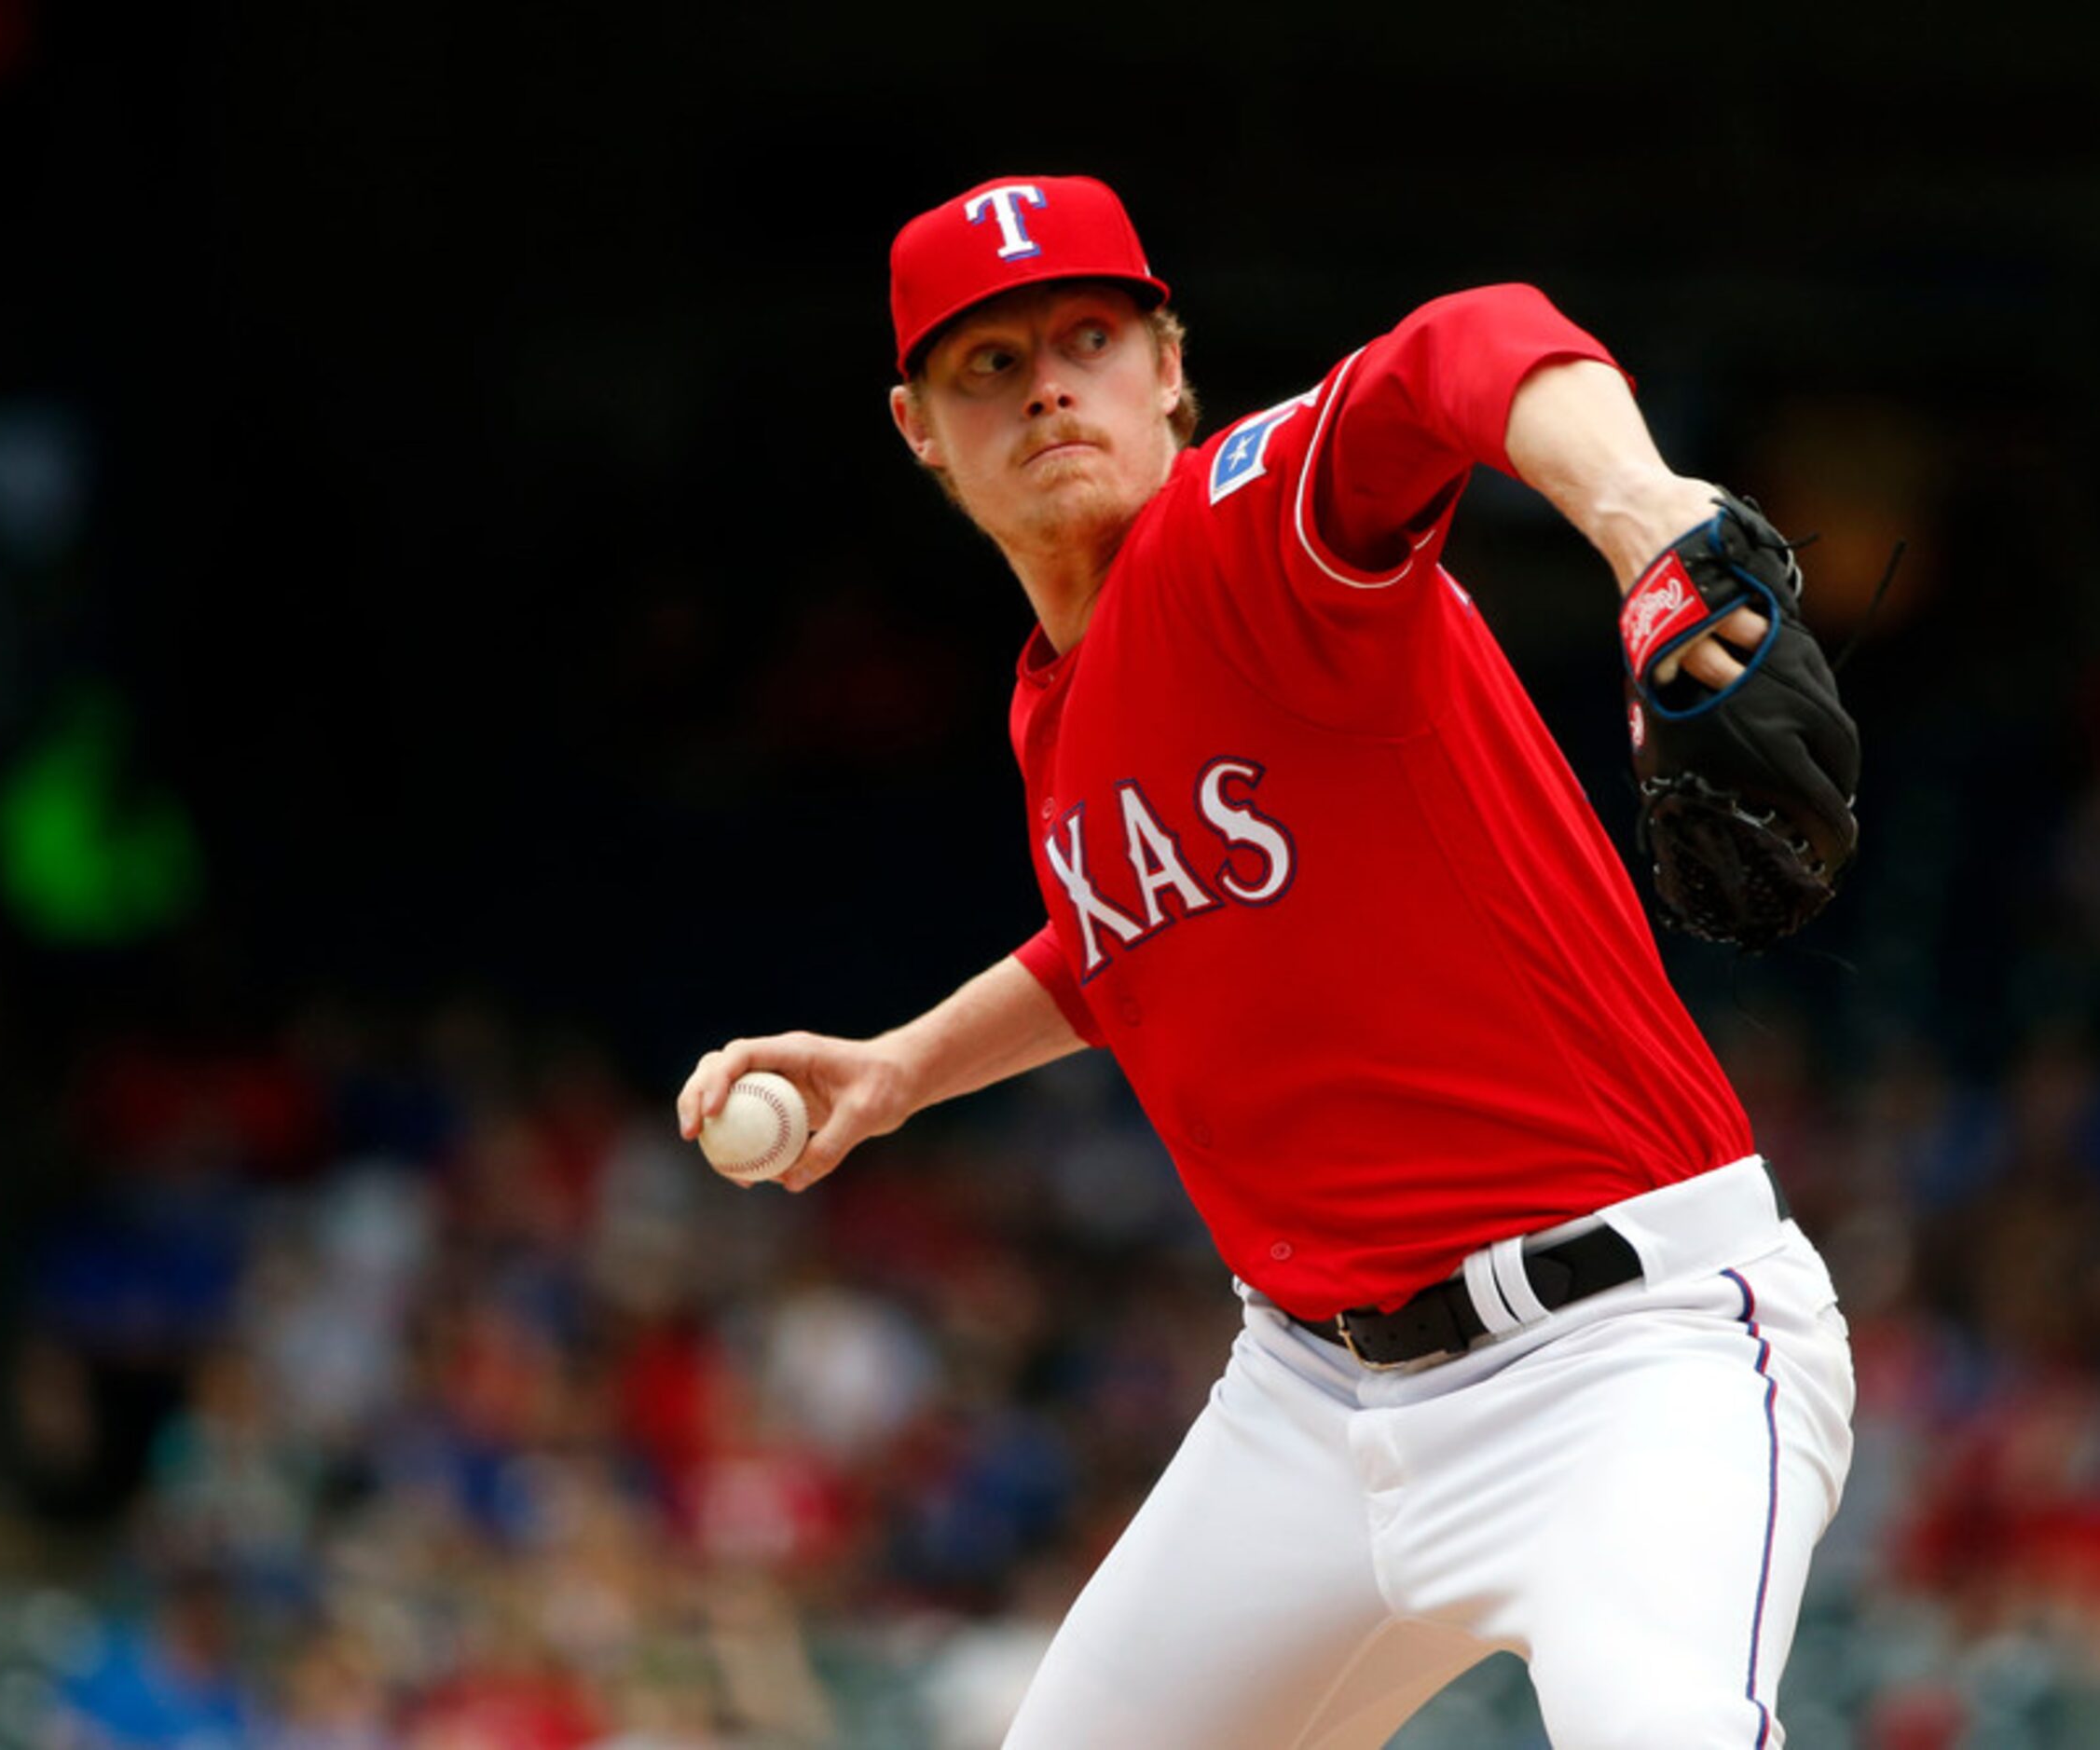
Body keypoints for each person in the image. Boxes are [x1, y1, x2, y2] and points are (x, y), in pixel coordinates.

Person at [679, 173, 1855, 1749]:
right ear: (917, 430)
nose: (1047, 385)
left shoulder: (1247, 529)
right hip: (1309, 1407)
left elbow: (1470, 343)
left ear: (1169, 365)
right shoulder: (1052, 702)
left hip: (1623, 1355)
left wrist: (1644, 516)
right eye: (989, 365)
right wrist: (899, 1069)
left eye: (1086, 336)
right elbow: (1123, 946)